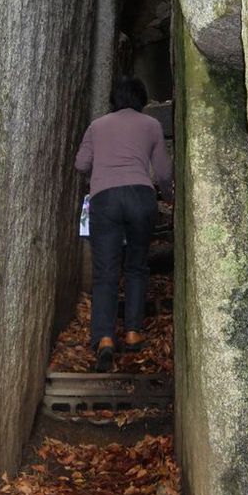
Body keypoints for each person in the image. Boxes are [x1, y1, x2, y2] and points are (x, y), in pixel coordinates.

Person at [75, 77, 173, 371]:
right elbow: (164, 173)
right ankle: (132, 333)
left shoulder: (97, 125)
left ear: (113, 100)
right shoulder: (152, 126)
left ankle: (105, 338)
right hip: (140, 197)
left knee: (105, 271)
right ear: (141, 100)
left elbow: (80, 164)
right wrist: (169, 197)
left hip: (104, 198)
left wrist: (102, 165)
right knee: (137, 266)